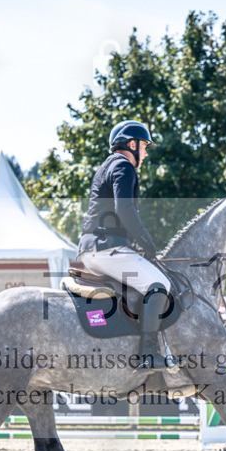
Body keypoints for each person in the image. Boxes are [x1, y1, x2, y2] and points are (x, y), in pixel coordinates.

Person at [78, 120, 169, 371]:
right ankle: (147, 355)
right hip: (105, 247)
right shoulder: (123, 166)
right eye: (145, 146)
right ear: (132, 144)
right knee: (159, 285)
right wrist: (147, 242)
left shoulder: (107, 166)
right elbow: (124, 209)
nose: (146, 152)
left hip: (97, 246)